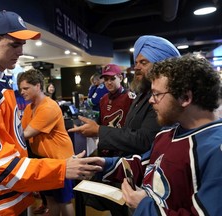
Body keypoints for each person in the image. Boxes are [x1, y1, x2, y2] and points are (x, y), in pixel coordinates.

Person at [0, 10, 103, 216]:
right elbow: (1, 165)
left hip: (12, 195)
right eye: (14, 44)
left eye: (22, 45)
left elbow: (15, 144)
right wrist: (60, 169)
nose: (21, 51)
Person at [68, 35, 180, 215]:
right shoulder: (141, 95)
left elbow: (146, 141)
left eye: (143, 62)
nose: (137, 67)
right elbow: (149, 150)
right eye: (136, 62)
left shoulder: (204, 140)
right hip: (133, 173)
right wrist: (108, 163)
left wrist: (99, 132)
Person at [102, 54, 222, 215]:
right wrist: (102, 164)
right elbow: (145, 164)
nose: (151, 100)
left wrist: (143, 206)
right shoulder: (166, 133)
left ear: (185, 98)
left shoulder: (216, 150)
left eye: (157, 94)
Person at [18, 69, 75, 216]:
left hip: (61, 160)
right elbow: (21, 130)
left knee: (64, 201)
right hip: (45, 161)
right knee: (51, 199)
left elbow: (24, 134)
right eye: (20, 89)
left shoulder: (48, 106)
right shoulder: (30, 107)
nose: (22, 92)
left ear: (37, 86)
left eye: (25, 88)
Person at [98, 64, 134, 156]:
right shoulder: (103, 99)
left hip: (124, 148)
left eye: (112, 79)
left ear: (120, 78)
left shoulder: (130, 98)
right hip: (107, 147)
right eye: (106, 79)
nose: (109, 82)